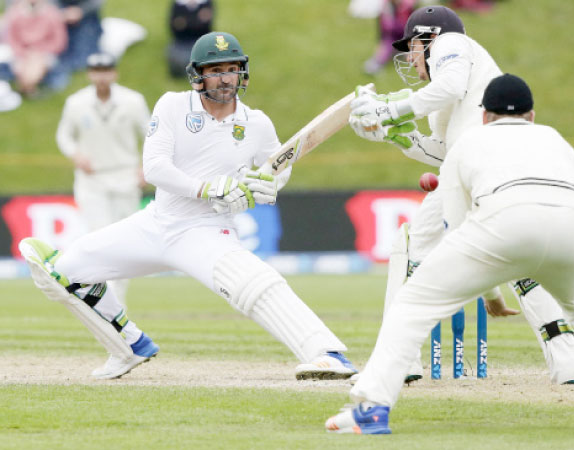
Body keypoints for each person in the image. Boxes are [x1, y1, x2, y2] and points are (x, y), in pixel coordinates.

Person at [326, 74, 574, 434]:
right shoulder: (555, 139)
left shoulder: (468, 140)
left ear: (484, 116)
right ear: (532, 116)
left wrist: (491, 292)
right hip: (573, 229)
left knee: (413, 303)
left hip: (503, 221)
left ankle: (372, 408)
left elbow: (458, 226)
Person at [19, 31, 357, 382]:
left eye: (232, 69)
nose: (225, 78)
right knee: (62, 274)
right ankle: (129, 344)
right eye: (215, 70)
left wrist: (261, 189)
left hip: (208, 229)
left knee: (253, 283)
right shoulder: (173, 105)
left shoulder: (256, 123)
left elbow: (277, 172)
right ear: (197, 74)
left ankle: (326, 353)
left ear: (242, 73)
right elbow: (155, 168)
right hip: (156, 222)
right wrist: (209, 188)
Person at [348, 5, 574, 385]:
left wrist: (389, 109)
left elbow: (450, 87)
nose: (409, 57)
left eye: (411, 46)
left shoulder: (453, 43)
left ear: (429, 38)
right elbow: (445, 151)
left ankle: (397, 359)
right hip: (488, 167)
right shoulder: (443, 103)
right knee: (514, 252)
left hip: (478, 165)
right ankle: (567, 359)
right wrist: (395, 135)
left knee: (410, 246)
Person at [55, 52, 150, 301]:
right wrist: (76, 155)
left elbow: (151, 135)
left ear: (114, 73)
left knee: (124, 241)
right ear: (89, 74)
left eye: (106, 70)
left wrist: (145, 167)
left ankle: (117, 301)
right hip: (92, 179)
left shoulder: (133, 101)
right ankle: (104, 298)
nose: (101, 76)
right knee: (98, 235)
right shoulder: (76, 102)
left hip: (125, 176)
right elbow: (64, 136)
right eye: (96, 70)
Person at [3, 0, 68, 96]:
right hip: (22, 53)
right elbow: (11, 39)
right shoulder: (15, 14)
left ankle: (27, 87)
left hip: (44, 53)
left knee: (35, 66)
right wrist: (24, 52)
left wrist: (39, 51)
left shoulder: (52, 14)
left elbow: (59, 41)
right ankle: (28, 88)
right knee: (22, 66)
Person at [363, 0, 417, 75]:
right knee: (383, 53)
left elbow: (413, 28)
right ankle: (375, 65)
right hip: (391, 38)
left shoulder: (409, 6)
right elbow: (382, 31)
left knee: (414, 57)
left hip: (406, 39)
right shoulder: (385, 8)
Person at [167, 0, 214, 78]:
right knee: (178, 59)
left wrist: (185, 22)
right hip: (181, 42)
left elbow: (206, 25)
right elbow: (174, 27)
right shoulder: (178, 4)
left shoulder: (206, 3)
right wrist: (197, 20)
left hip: (202, 42)